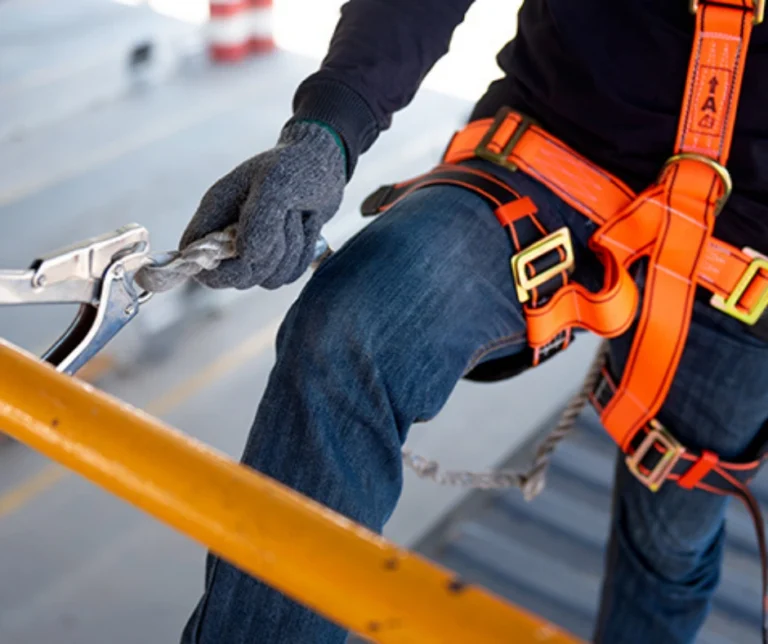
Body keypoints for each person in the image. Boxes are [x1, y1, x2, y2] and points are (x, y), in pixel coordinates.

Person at [177, 1, 768, 643]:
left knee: (670, 540)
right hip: (556, 150)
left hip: (746, 252)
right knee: (351, 329)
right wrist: (329, 127)